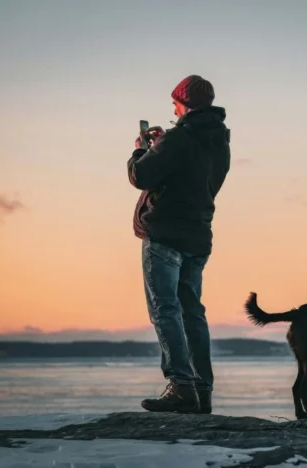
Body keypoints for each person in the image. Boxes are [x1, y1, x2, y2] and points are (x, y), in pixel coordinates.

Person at [126, 75, 231, 414]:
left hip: (165, 234)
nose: (173, 109)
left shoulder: (179, 138)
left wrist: (142, 149)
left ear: (184, 103)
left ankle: (181, 387)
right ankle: (202, 389)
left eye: (175, 103)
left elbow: (140, 176)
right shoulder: (219, 142)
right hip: (198, 236)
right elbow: (197, 179)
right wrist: (162, 147)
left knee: (165, 310)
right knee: (192, 313)